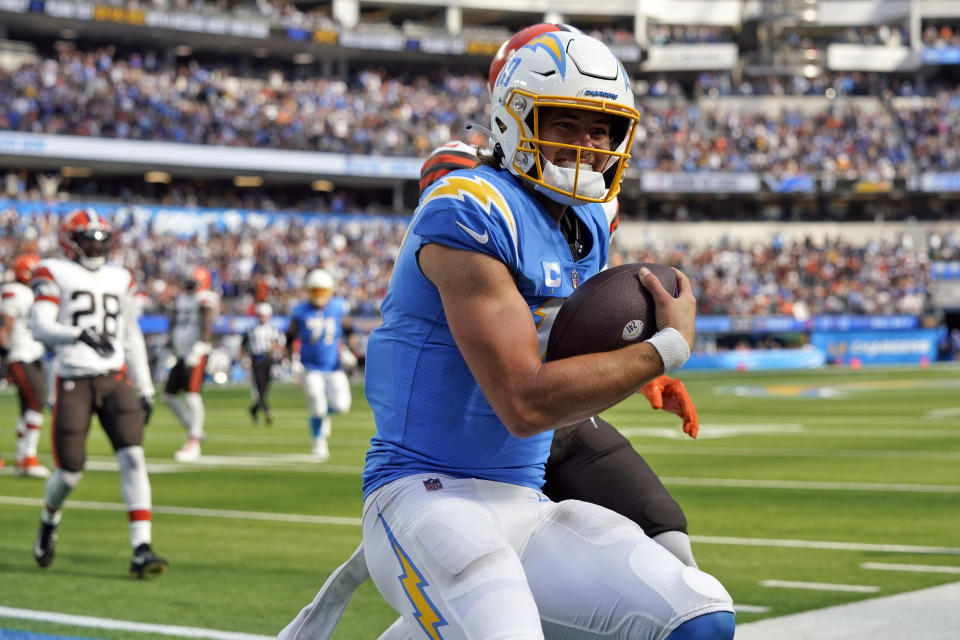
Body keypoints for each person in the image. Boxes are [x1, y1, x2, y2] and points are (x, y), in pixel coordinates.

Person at [281, 24, 704, 640]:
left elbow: (561, 337)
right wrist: (663, 352)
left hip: (524, 495)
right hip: (427, 491)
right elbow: (524, 399)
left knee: (699, 615)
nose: (587, 145)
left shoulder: (584, 221)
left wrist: (634, 371)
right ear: (514, 118)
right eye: (564, 123)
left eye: (600, 129)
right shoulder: (470, 207)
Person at [29, 208, 166, 578]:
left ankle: (141, 546)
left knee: (134, 457)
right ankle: (48, 518)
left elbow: (130, 334)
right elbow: (39, 325)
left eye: (101, 239)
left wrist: (146, 386)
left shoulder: (120, 277)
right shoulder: (53, 271)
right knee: (70, 473)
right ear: (70, 242)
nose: (96, 246)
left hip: (115, 377)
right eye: (89, 238)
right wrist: (77, 334)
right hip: (74, 376)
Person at [285, 268, 352, 461]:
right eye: (315, 291)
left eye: (322, 291)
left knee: (341, 406)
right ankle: (318, 441)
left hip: (333, 366)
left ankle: (323, 416)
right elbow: (289, 337)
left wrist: (347, 349)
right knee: (317, 405)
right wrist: (292, 360)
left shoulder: (339, 307)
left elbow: (349, 330)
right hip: (310, 367)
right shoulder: (300, 310)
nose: (319, 295)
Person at [0, 253, 51, 478]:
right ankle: (28, 458)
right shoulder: (15, 292)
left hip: (32, 353)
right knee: (36, 402)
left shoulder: (32, 293)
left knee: (28, 406)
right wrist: (4, 352)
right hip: (20, 353)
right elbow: (5, 324)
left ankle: (23, 458)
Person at [164, 266, 218, 462]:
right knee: (168, 396)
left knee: (192, 396)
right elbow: (175, 322)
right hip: (180, 352)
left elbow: (207, 322)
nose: (189, 283)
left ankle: (193, 442)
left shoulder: (205, 298)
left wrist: (200, 346)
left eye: (194, 280)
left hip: (196, 352)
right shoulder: (182, 298)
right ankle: (196, 431)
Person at [242, 302, 285, 425]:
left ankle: (254, 410)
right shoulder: (251, 330)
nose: (262, 318)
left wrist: (275, 347)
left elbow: (281, 346)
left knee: (265, 388)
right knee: (260, 386)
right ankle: (267, 412)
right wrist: (245, 358)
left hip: (268, 359)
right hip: (256, 360)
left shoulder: (273, 330)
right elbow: (244, 345)